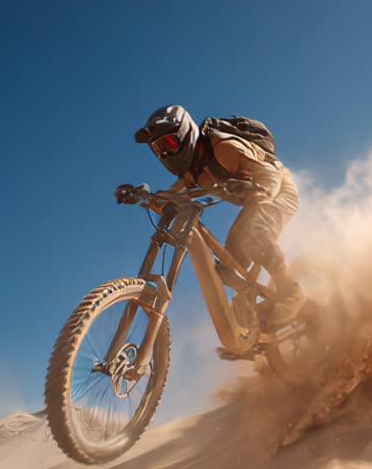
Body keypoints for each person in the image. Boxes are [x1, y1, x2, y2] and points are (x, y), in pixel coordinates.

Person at [129, 105, 304, 326]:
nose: (164, 153)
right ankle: (255, 316)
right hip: (254, 202)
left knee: (254, 235)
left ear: (185, 133)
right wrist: (144, 197)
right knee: (228, 269)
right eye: (157, 148)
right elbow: (169, 199)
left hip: (279, 191)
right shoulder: (193, 172)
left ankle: (291, 294)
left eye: (169, 143)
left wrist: (259, 190)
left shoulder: (223, 147)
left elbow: (269, 174)